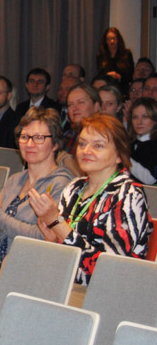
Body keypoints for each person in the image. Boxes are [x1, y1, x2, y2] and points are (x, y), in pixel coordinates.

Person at [30, 114, 153, 285]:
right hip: (62, 282)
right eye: (82, 144)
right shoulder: (74, 188)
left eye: (98, 145)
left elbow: (110, 271)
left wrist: (57, 223)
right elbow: (64, 246)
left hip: (102, 292)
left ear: (119, 155)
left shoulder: (128, 195)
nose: (86, 151)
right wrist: (52, 239)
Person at [0, 108, 74, 287]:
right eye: (24, 137)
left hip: (24, 269)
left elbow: (42, 236)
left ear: (55, 144)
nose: (29, 144)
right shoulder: (15, 180)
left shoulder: (61, 185)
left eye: (38, 138)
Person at [128, 97, 157, 185]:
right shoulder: (131, 143)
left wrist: (124, 158)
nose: (139, 122)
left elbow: (150, 179)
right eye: (135, 117)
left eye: (145, 117)